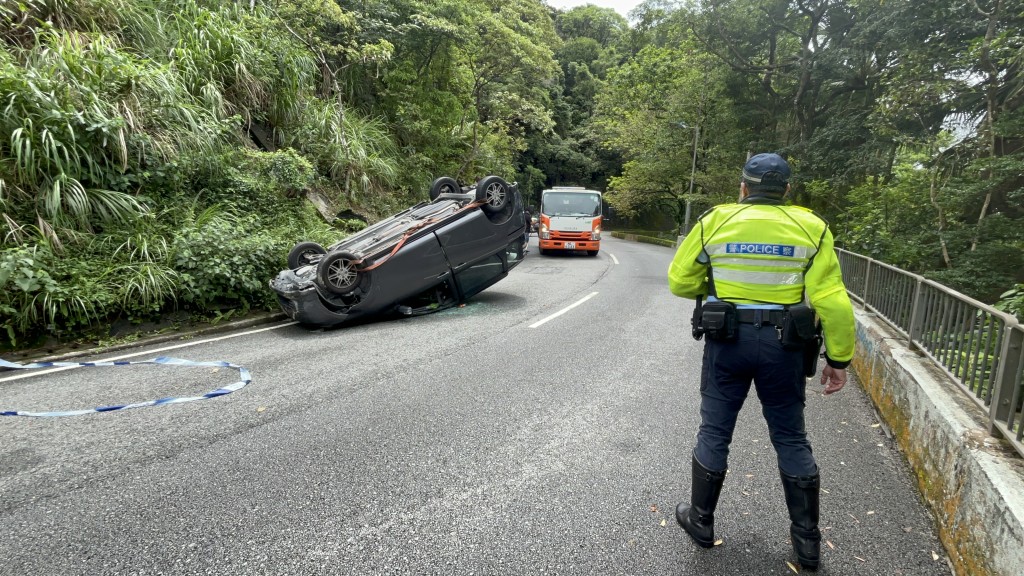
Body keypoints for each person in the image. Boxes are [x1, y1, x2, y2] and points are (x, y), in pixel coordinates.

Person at [666, 152, 855, 571]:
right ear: (787, 190)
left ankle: (700, 522)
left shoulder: (715, 220)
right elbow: (834, 302)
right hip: (783, 346)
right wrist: (838, 359)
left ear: (743, 187)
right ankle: (807, 544)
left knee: (715, 429)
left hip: (726, 341)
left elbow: (680, 281)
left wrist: (714, 284)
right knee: (790, 437)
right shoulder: (812, 227)